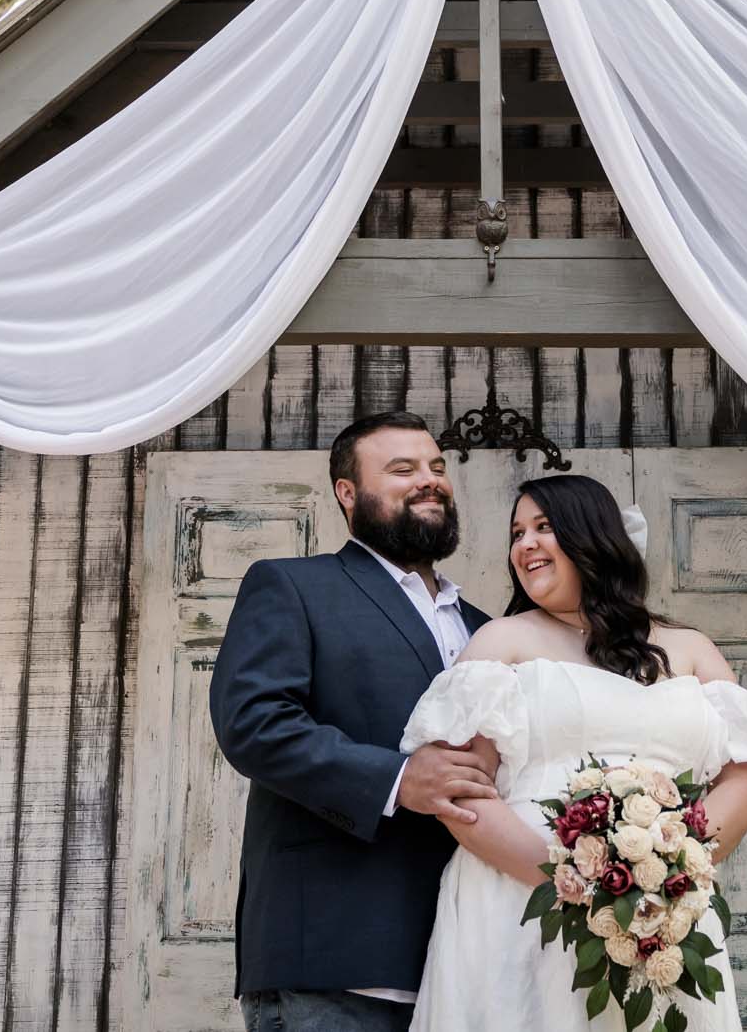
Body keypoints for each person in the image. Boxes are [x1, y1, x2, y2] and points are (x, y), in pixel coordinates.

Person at [398, 472, 747, 1031]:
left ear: (592, 536)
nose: (524, 544)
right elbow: (462, 789)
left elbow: (744, 780)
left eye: (544, 527)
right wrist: (572, 884)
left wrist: (667, 871)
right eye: (517, 533)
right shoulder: (502, 642)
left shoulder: (691, 648)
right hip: (519, 901)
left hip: (659, 915)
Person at [209, 411, 500, 1032]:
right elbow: (254, 723)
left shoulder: (488, 627)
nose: (429, 481)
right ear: (348, 492)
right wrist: (398, 781)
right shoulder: (292, 585)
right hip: (334, 962)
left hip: (472, 964)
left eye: (437, 468)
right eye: (403, 469)